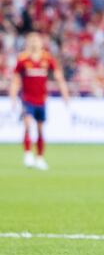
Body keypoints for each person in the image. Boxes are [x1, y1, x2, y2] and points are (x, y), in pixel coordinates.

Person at [9, 32, 70, 170]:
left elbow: (59, 77)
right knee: (27, 124)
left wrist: (65, 94)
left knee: (40, 130)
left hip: (41, 100)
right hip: (27, 99)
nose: (34, 43)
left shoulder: (47, 59)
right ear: (28, 43)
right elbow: (15, 80)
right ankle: (28, 153)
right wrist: (13, 97)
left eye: (37, 40)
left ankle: (40, 158)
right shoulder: (23, 59)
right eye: (32, 41)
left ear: (41, 43)